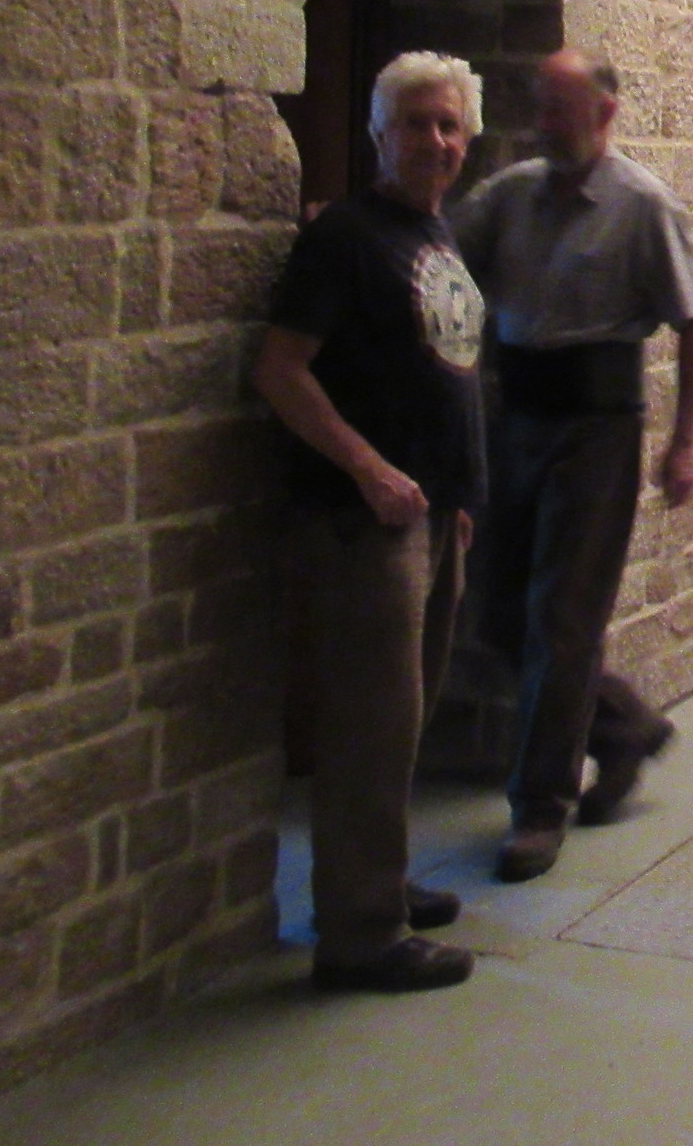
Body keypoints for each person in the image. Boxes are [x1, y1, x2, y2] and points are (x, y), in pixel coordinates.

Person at [253, 52, 489, 992]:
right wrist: (368, 468)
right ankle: (358, 934)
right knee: (368, 726)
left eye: (449, 125)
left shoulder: (433, 232)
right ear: (379, 133)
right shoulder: (346, 237)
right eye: (416, 123)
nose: (435, 140)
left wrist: (456, 498)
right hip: (366, 523)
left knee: (404, 718)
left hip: (431, 518)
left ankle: (377, 882)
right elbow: (281, 370)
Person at [454, 47, 693, 881]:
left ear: (605, 113)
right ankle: (625, 727)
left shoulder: (643, 205)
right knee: (497, 613)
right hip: (517, 417)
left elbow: (692, 325)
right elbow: (439, 257)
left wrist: (683, 442)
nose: (544, 124)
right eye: (541, 107)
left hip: (597, 429)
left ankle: (540, 808)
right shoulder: (509, 196)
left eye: (560, 109)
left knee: (562, 619)